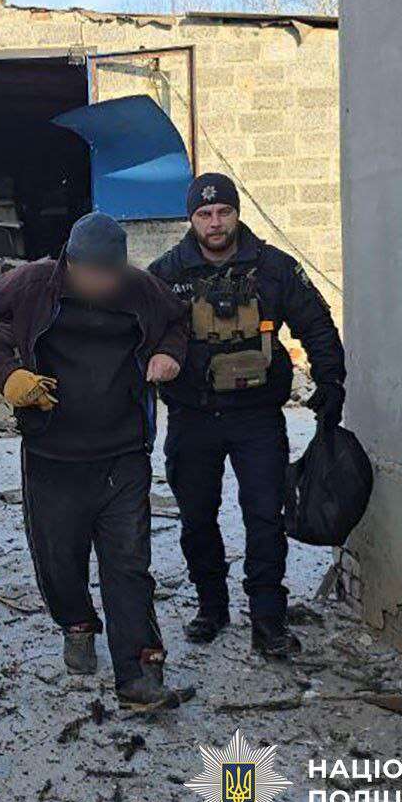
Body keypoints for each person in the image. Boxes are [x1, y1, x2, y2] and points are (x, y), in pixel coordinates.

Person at [0, 212, 189, 711]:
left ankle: (139, 674)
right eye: (89, 272)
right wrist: (8, 376)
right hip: (53, 453)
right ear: (69, 262)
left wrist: (170, 354)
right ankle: (77, 622)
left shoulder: (140, 289)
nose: (99, 283)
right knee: (59, 560)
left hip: (122, 452)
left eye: (108, 274)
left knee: (129, 564)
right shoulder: (30, 285)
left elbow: (177, 320)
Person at [148, 173, 346, 657]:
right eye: (204, 214)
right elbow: (135, 334)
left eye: (224, 212)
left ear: (237, 213)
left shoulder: (274, 268)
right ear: (191, 219)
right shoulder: (166, 274)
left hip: (257, 416)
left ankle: (268, 619)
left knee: (265, 516)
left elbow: (316, 324)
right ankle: (211, 606)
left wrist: (331, 382)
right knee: (197, 517)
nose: (215, 222)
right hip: (193, 415)